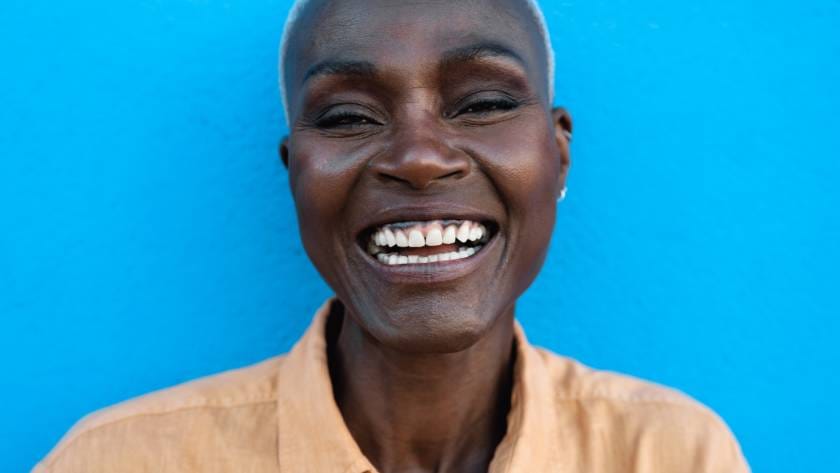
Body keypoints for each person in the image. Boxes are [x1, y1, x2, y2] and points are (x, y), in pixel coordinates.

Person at [34, 0, 750, 472]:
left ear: (558, 155)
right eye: (347, 117)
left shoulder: (672, 453)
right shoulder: (116, 459)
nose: (418, 156)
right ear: (295, 176)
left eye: (485, 102)